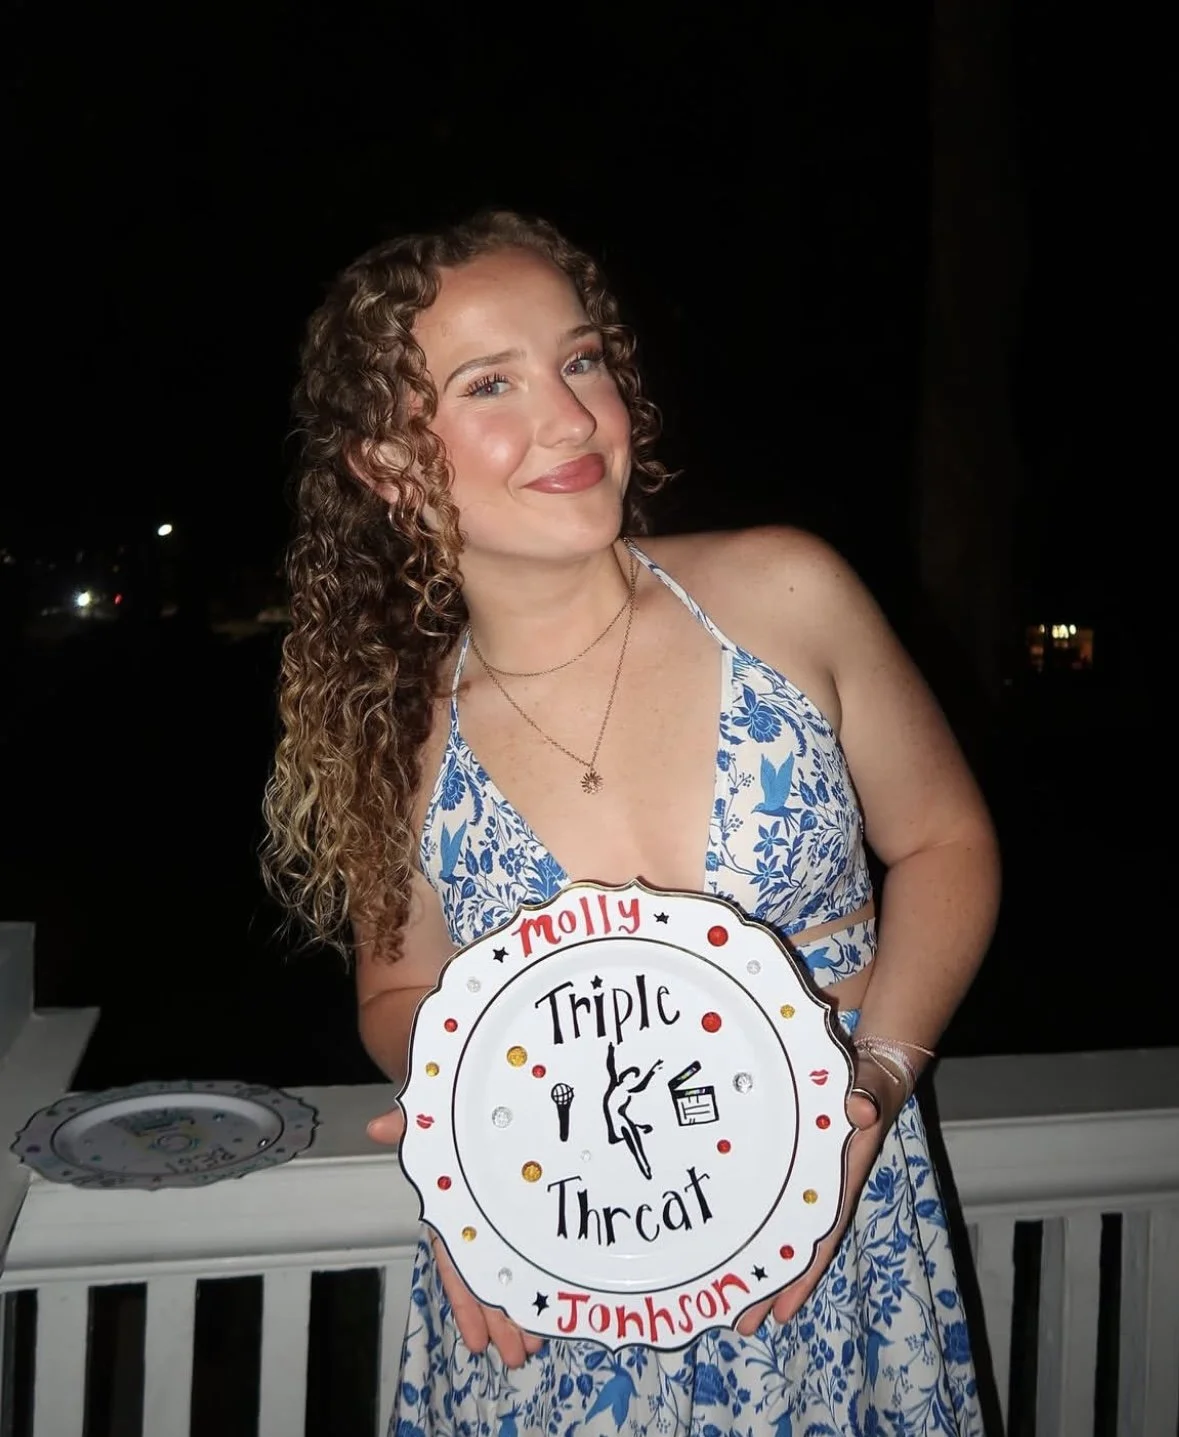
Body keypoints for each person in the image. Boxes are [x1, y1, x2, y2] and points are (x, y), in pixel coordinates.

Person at [262, 209, 1000, 1435]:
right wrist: (466, 1153)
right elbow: (397, 994)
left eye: (583, 358)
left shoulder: (783, 593)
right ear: (390, 467)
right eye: (490, 383)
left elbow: (946, 845)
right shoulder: (402, 736)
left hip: (834, 1230)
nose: (568, 416)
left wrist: (868, 1093)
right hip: (552, 1289)